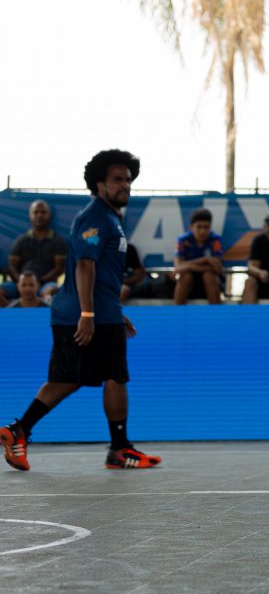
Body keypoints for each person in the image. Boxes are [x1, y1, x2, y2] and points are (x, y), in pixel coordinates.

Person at [0, 150, 160, 473]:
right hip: (86, 314)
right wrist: (88, 315)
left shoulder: (110, 218)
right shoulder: (96, 217)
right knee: (115, 376)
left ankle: (19, 430)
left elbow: (103, 273)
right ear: (99, 184)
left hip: (97, 312)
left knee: (67, 379)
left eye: (128, 179)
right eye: (117, 179)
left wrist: (112, 311)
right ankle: (119, 450)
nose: (125, 185)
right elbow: (85, 266)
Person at [5, 199, 67, 300]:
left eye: (43, 212)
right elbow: (11, 266)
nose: (39, 215)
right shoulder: (21, 240)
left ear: (49, 215)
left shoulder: (58, 241)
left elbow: (59, 268)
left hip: (46, 284)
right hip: (19, 283)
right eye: (36, 212)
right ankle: (13, 310)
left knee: (51, 292)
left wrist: (40, 281)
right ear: (30, 215)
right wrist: (23, 283)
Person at [173, 208, 223, 305]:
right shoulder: (183, 240)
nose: (202, 231)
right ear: (191, 227)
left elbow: (218, 268)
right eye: (199, 227)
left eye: (206, 227)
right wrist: (205, 260)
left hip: (210, 282)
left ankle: (216, 312)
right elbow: (178, 266)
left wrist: (189, 266)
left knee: (208, 276)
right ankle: (178, 311)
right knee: (186, 276)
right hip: (189, 283)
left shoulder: (215, 240)